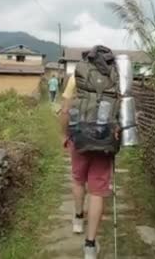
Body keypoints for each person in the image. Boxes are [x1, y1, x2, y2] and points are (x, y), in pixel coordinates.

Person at [60, 46, 120, 259]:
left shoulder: (77, 77)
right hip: (104, 140)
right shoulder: (116, 78)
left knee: (78, 180)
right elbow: (124, 112)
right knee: (98, 191)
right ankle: (90, 245)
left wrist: (64, 135)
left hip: (80, 136)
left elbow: (66, 109)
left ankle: (77, 219)